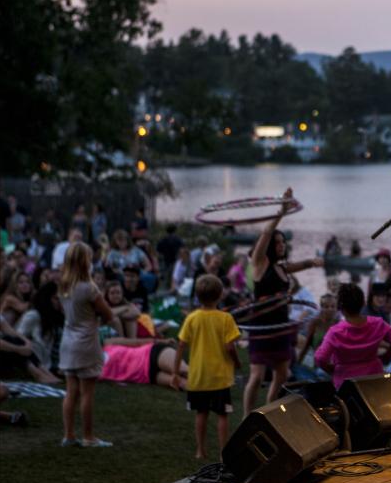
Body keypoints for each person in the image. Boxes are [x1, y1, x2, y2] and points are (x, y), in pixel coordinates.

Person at [243, 187, 323, 415]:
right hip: (262, 327)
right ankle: (247, 417)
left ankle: (267, 412)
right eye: (278, 243)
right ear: (269, 246)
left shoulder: (281, 268)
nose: (282, 245)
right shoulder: (260, 264)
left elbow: (304, 264)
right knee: (256, 376)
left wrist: (314, 262)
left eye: (283, 243)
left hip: (280, 328)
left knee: (282, 374)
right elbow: (266, 233)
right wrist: (282, 211)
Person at [172, 274, 241, 460]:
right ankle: (223, 453)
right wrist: (237, 362)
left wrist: (175, 372)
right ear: (220, 295)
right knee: (222, 415)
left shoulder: (192, 318)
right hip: (220, 378)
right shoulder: (226, 318)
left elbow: (180, 345)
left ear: (197, 296)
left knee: (201, 413)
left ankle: (200, 450)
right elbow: (230, 346)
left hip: (198, 377)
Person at [59, 242, 114, 448]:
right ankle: (89, 437)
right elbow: (108, 314)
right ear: (85, 261)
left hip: (68, 341)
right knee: (87, 392)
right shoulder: (89, 288)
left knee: (70, 391)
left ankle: (68, 435)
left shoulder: (63, 285)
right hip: (86, 343)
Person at [315, 283, 391, 389]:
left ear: (340, 306)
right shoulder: (377, 323)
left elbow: (320, 358)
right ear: (363, 303)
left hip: (346, 385)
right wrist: (387, 358)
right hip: (374, 380)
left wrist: (333, 370)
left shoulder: (335, 332)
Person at [101, 337, 188, 389]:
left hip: (151, 354)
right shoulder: (91, 370)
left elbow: (137, 342)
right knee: (184, 384)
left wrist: (162, 341)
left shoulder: (107, 343)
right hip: (148, 376)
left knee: (185, 371)